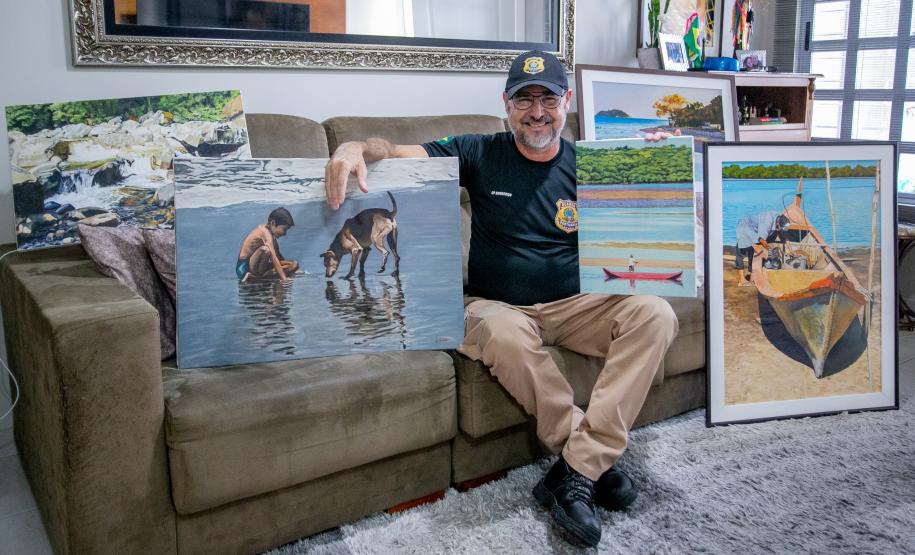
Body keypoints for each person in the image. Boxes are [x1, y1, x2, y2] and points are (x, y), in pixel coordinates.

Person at [324, 50, 679, 547]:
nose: (537, 112)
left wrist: (660, 173)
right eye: (524, 99)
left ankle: (578, 468)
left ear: (566, 101)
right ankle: (592, 463)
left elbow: (643, 238)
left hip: (576, 306)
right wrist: (354, 146)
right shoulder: (477, 151)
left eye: (548, 99)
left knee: (656, 314)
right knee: (503, 331)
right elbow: (395, 151)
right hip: (497, 306)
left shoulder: (592, 165)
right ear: (506, 104)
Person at [236, 207, 299, 282]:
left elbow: (278, 257)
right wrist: (284, 279)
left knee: (294, 264)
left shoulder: (272, 237)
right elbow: (274, 258)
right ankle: (257, 276)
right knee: (265, 250)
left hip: (260, 266)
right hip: (244, 268)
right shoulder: (265, 232)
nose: (285, 233)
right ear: (273, 223)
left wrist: (292, 268)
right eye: (284, 229)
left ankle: (265, 275)